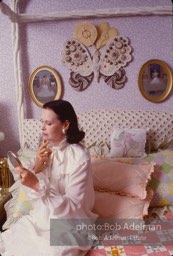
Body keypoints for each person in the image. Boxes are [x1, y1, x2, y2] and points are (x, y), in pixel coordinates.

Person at [0, 99, 97, 256]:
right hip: (41, 218)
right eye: (41, 122)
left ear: (65, 125)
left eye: (48, 123)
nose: (42, 128)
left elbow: (74, 207)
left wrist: (37, 184)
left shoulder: (80, 156)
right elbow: (34, 200)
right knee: (10, 243)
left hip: (70, 224)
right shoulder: (47, 152)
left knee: (50, 252)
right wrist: (37, 167)